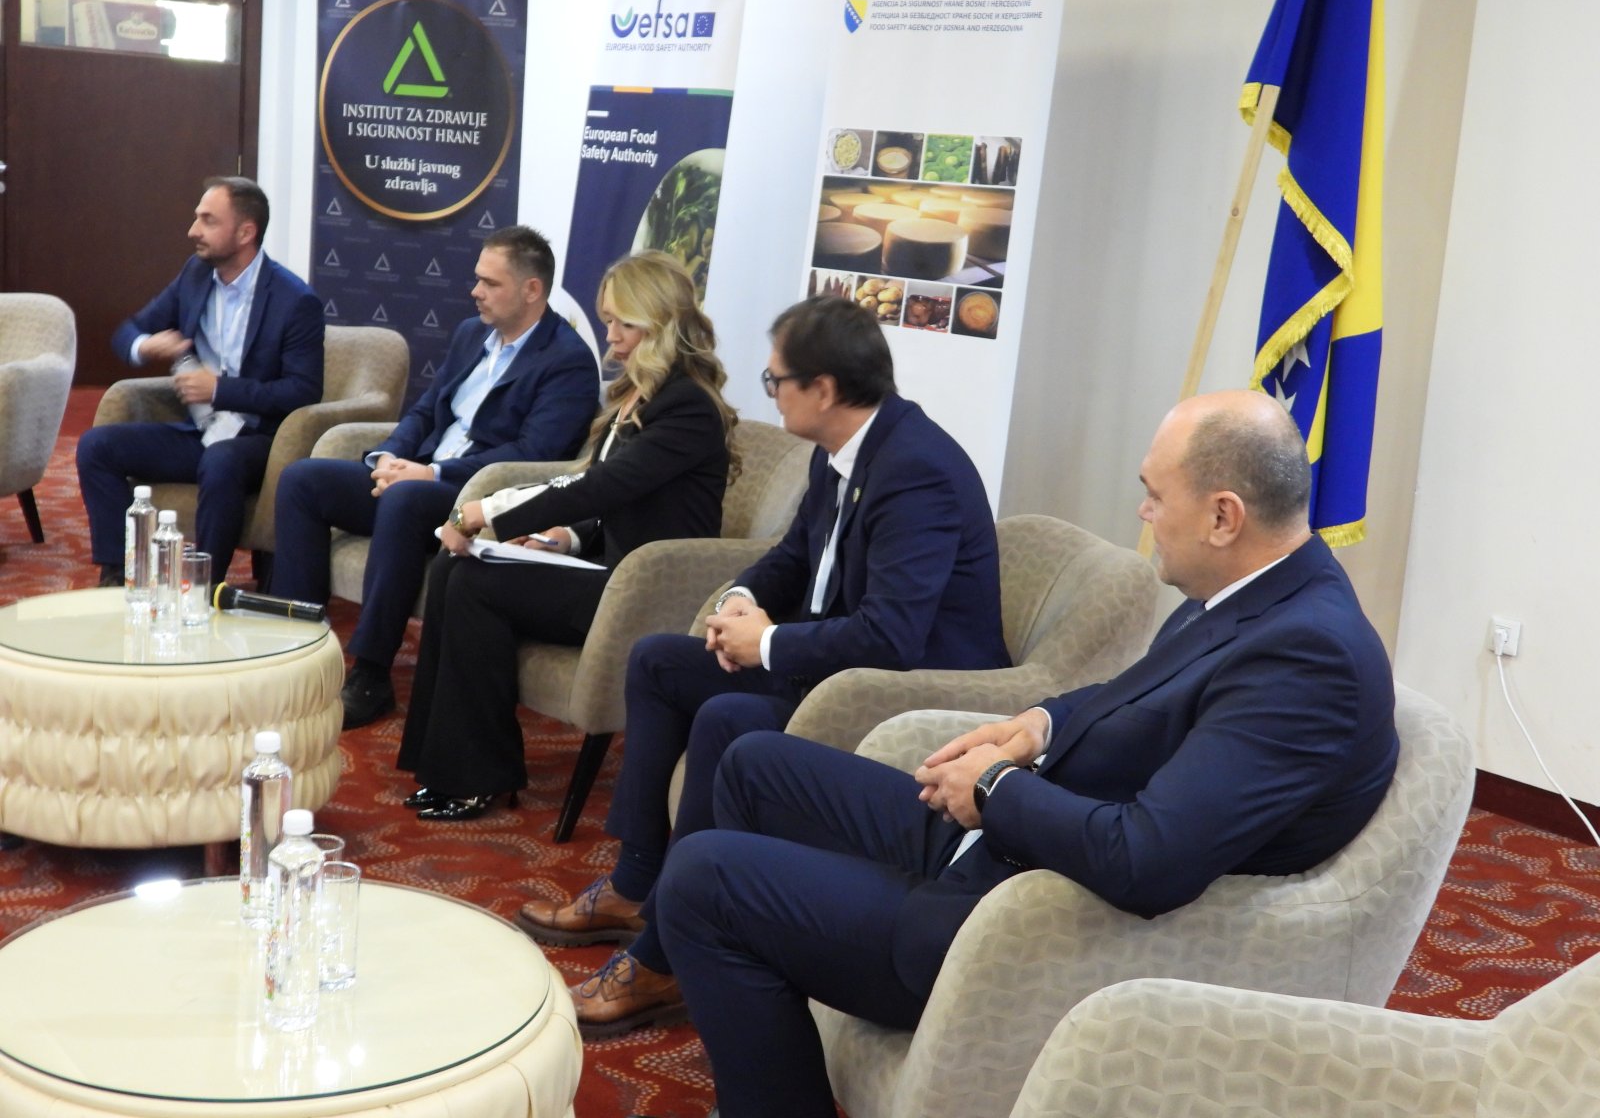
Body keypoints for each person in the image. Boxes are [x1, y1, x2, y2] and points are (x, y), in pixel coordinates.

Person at [650, 389, 1400, 1118]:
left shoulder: (1306, 660)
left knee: (701, 879)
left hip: (1020, 925)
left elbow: (1149, 859)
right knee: (753, 764)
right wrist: (1040, 723)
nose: (1142, 514)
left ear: (1223, 516)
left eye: (1153, 496)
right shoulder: (1253, 594)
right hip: (1011, 847)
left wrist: (996, 789)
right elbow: (1141, 695)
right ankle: (743, 1013)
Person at [519, 294, 1010, 1037]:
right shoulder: (840, 449)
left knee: (730, 715)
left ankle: (661, 959)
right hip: (829, 663)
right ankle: (637, 883)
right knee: (658, 662)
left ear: (824, 389)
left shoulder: (917, 470)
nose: (769, 391)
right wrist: (741, 602)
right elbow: (791, 556)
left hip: (895, 692)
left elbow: (893, 636)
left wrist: (769, 645)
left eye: (776, 379)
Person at [395, 251, 739, 821]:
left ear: (660, 325)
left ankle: (476, 774)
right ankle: (444, 766)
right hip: (609, 570)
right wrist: (561, 539)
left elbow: (600, 486)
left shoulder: (686, 407)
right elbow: (606, 498)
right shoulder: (641, 393)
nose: (612, 336)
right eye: (609, 321)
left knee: (476, 583)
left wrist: (486, 512)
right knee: (455, 568)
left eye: (624, 323)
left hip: (644, 591)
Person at [270, 225, 597, 730]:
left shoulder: (567, 361)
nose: (475, 291)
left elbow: (534, 455)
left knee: (404, 501)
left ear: (532, 289)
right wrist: (388, 458)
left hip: (475, 497)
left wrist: (431, 472)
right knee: (303, 480)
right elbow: (425, 411)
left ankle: (371, 674)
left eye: (490, 283)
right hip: (419, 475)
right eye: (477, 279)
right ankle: (297, 646)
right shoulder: (471, 334)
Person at [77, 176, 323, 581]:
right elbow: (128, 332)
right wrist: (146, 345)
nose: (193, 230)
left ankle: (205, 586)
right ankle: (120, 574)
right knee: (96, 446)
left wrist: (221, 390)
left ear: (245, 233)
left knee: (222, 460)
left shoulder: (295, 301)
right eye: (197, 218)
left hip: (258, 440)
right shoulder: (195, 275)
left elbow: (303, 391)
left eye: (208, 220)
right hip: (201, 432)